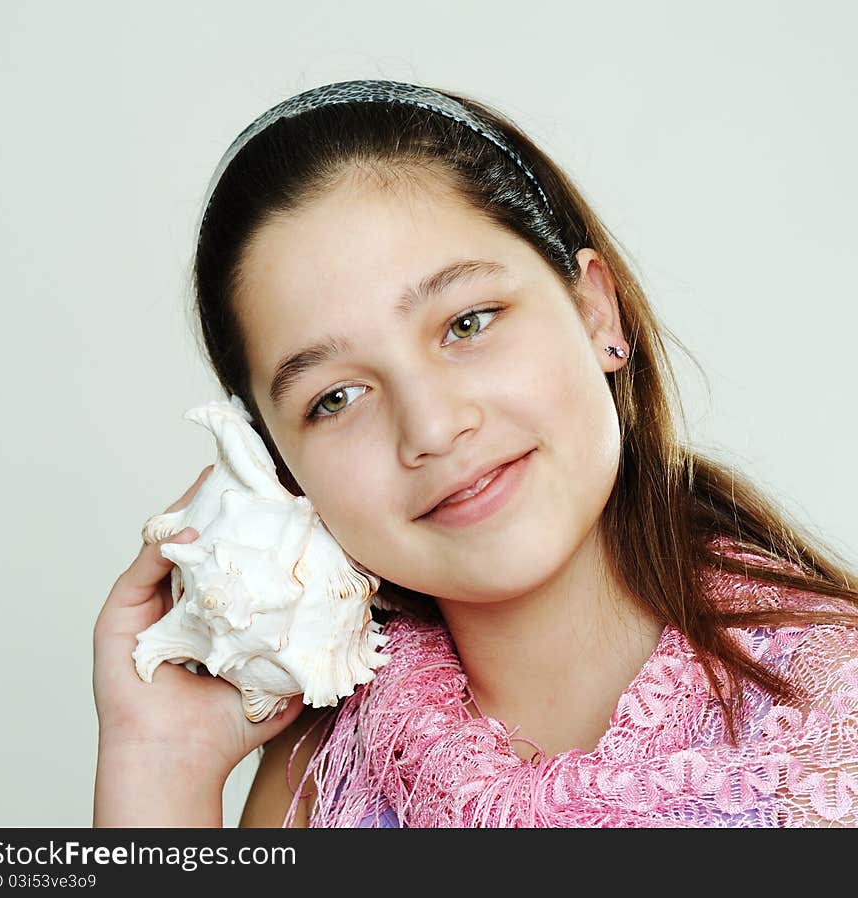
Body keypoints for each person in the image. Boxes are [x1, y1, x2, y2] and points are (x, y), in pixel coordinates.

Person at [93, 80, 858, 828]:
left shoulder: (828, 727)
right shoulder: (321, 764)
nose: (429, 427)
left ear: (597, 311)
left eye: (468, 323)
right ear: (279, 469)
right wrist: (159, 765)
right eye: (335, 398)